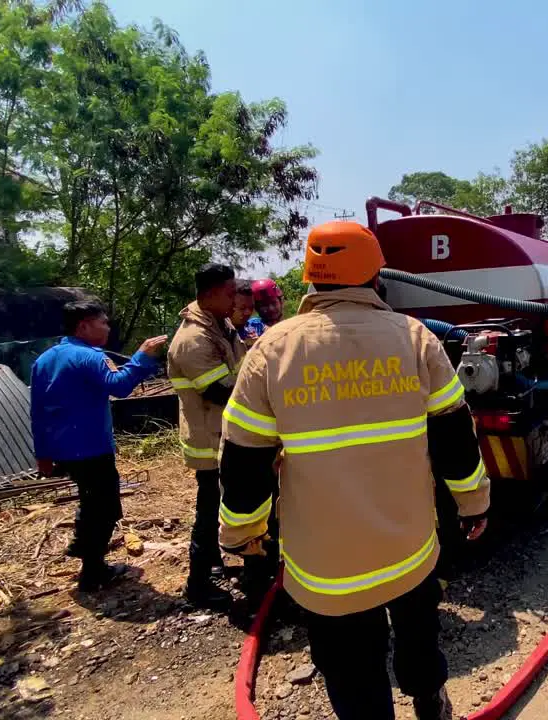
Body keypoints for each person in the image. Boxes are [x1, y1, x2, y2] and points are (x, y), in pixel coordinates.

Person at [217, 221, 490, 720]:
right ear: (374, 275)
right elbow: (455, 435)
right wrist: (474, 504)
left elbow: (243, 459)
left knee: (351, 671)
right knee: (419, 638)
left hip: (326, 570)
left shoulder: (271, 351)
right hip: (409, 551)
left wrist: (241, 534)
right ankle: (430, 701)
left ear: (311, 278)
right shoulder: (414, 339)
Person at [30, 301, 167, 591]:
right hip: (91, 446)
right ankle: (93, 570)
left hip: (64, 449)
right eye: (102, 322)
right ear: (83, 326)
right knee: (104, 507)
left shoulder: (43, 360)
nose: (107, 327)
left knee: (89, 499)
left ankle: (82, 546)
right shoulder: (89, 356)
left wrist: (42, 454)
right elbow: (119, 386)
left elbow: (38, 412)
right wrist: (142, 357)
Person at [167, 263, 248, 610]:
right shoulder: (193, 339)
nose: (235, 298)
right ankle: (198, 585)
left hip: (223, 433)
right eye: (230, 292)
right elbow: (220, 392)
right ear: (211, 294)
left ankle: (214, 562)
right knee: (209, 509)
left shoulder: (219, 324)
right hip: (209, 439)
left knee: (219, 504)